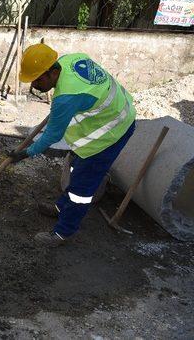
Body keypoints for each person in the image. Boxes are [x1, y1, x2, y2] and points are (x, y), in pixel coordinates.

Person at [9, 43, 136, 247]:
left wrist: (25, 153)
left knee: (81, 189)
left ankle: (62, 233)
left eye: (37, 79)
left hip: (111, 134)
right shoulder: (70, 59)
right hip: (118, 111)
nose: (33, 86)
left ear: (52, 72)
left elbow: (52, 135)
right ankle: (61, 207)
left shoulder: (66, 98)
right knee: (76, 170)